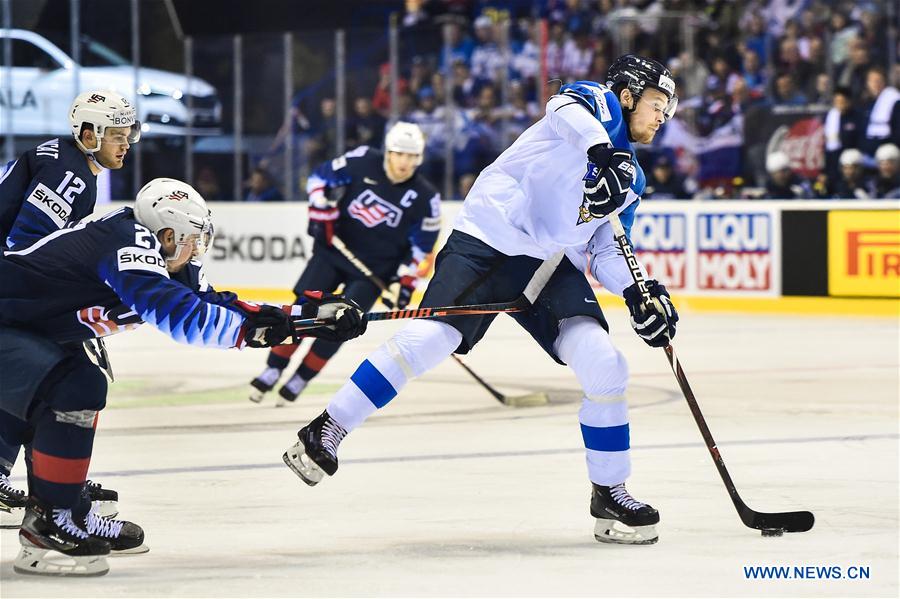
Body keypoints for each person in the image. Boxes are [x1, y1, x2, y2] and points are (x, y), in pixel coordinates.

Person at [282, 54, 681, 546]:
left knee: (606, 364)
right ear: (628, 94)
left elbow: (605, 245)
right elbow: (562, 109)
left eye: (669, 110)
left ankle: (610, 493)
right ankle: (327, 428)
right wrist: (605, 153)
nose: (663, 117)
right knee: (429, 339)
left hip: (547, 263)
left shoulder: (633, 180)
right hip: (488, 238)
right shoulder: (597, 105)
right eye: (658, 104)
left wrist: (638, 293)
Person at [0, 178, 367, 576]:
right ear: (168, 233)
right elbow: (182, 317)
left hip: (23, 328)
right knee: (73, 384)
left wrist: (305, 321)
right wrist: (264, 330)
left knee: (70, 378)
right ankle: (50, 524)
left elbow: (214, 302)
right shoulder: (127, 242)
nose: (196, 251)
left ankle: (64, 510)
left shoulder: (158, 250)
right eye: (192, 240)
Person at [0, 90, 141, 528]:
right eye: (116, 135)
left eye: (128, 134)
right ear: (87, 133)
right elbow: (25, 249)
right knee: (63, 381)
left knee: (36, 381)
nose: (126, 144)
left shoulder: (65, 158)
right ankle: (57, 494)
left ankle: (45, 482)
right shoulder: (71, 174)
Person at [248, 122, 441, 407]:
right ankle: (273, 368)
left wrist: (407, 280)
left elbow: (423, 249)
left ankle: (301, 378)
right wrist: (320, 209)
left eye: (412, 157)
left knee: (340, 325)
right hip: (334, 251)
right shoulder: (363, 159)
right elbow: (318, 179)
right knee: (302, 311)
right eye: (400, 154)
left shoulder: (426, 198)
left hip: (375, 272)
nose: (405, 162)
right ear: (388, 151)